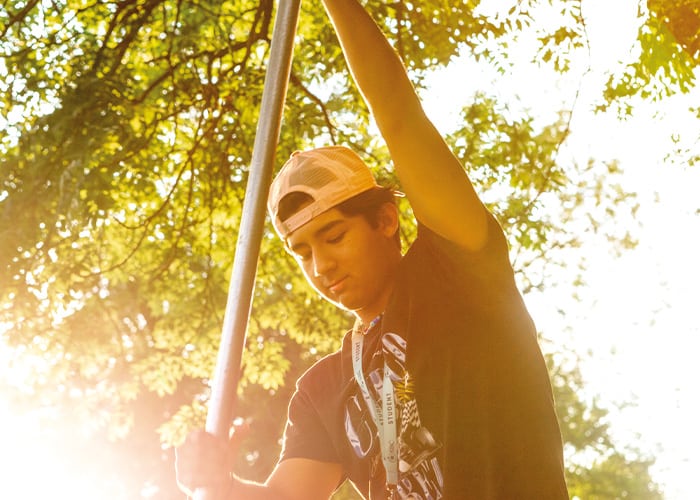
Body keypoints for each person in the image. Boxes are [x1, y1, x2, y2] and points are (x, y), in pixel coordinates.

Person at [175, 0, 569, 498]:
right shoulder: (322, 391)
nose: (321, 265)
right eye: (302, 251)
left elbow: (400, 117)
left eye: (334, 236)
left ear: (386, 220)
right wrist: (218, 484)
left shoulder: (458, 274)